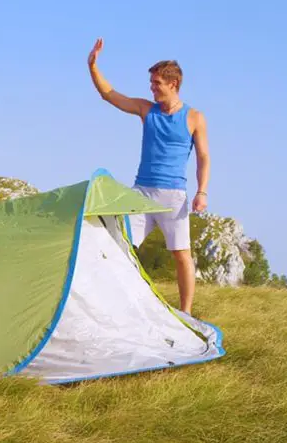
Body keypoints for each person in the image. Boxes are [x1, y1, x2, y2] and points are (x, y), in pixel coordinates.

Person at [86, 37, 210, 315]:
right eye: (151, 84)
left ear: (173, 85)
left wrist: (202, 191)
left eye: (157, 84)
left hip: (173, 197)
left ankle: (185, 313)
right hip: (141, 194)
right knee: (120, 247)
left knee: (181, 255)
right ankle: (119, 306)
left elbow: (203, 157)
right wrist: (93, 66)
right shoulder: (146, 109)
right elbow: (110, 95)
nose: (152, 89)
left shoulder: (194, 118)